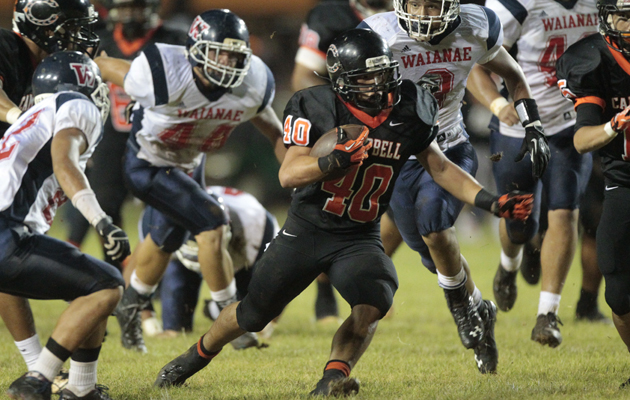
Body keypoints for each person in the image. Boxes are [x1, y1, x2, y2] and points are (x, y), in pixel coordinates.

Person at [152, 28, 533, 396]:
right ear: (344, 80)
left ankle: (332, 379)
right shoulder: (314, 105)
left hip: (359, 235)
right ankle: (194, 356)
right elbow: (288, 174)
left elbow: (440, 167)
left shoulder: (409, 107)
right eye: (368, 78)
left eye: (384, 73)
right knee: (254, 314)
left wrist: (491, 202)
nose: (380, 84)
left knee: (374, 300)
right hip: (308, 228)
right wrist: (333, 160)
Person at [358, 0, 549, 372]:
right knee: (430, 254)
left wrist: (533, 124)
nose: (424, 16)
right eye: (416, 5)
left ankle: (461, 308)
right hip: (398, 158)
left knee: (434, 223)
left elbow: (513, 75)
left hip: (449, 148)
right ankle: (479, 306)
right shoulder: (378, 34)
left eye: (433, 6)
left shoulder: (477, 25)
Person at [94, 8, 285, 353]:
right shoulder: (162, 72)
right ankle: (231, 320)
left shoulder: (252, 84)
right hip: (148, 164)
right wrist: (89, 65)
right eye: (220, 53)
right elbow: (108, 68)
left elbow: (275, 133)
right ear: (196, 49)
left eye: (235, 55)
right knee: (213, 224)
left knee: (166, 238)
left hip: (190, 162)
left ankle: (129, 306)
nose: (227, 63)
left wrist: (295, 173)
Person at [466, 0, 599, 347]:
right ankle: (509, 264)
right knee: (520, 223)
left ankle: (547, 315)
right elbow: (473, 63)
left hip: (572, 126)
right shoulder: (518, 5)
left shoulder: (603, 5)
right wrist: (498, 104)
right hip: (519, 130)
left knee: (565, 213)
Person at [1, 51, 127, 400]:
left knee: (91, 282)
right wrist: (101, 222)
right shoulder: (75, 103)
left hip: (7, 235)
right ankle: (38, 377)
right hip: (6, 232)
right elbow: (65, 163)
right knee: (108, 285)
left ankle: (82, 389)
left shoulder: (27, 119)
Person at [62, 0, 188, 336]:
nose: (129, 13)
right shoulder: (96, 36)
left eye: (135, 5)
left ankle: (160, 298)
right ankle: (134, 303)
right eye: (124, 5)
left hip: (159, 139)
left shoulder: (173, 37)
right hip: (109, 140)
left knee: (170, 219)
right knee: (107, 218)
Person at [0, 0, 100, 392]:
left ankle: (43, 373)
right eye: (72, 27)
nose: (80, 37)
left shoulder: (60, 63)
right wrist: (17, 118)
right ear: (43, 24)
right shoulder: (6, 47)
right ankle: (48, 375)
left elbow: (102, 64)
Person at [292, 0, 394, 324]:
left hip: (393, 121)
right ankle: (324, 285)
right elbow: (302, 76)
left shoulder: (417, 11)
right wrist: (340, 117)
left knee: (404, 208)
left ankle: (361, 275)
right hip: (346, 124)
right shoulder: (330, 15)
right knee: (331, 206)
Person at [556, 0, 630, 387]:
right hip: (625, 180)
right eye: (626, 16)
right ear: (606, 18)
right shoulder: (591, 59)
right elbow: (583, 140)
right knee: (618, 289)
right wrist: (615, 124)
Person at [147, 186, 279, 337]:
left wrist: (270, 320)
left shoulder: (259, 227)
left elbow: (284, 279)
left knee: (248, 321)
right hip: (183, 248)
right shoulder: (161, 221)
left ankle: (218, 309)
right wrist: (146, 317)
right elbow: (137, 271)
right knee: (175, 328)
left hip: (240, 250)